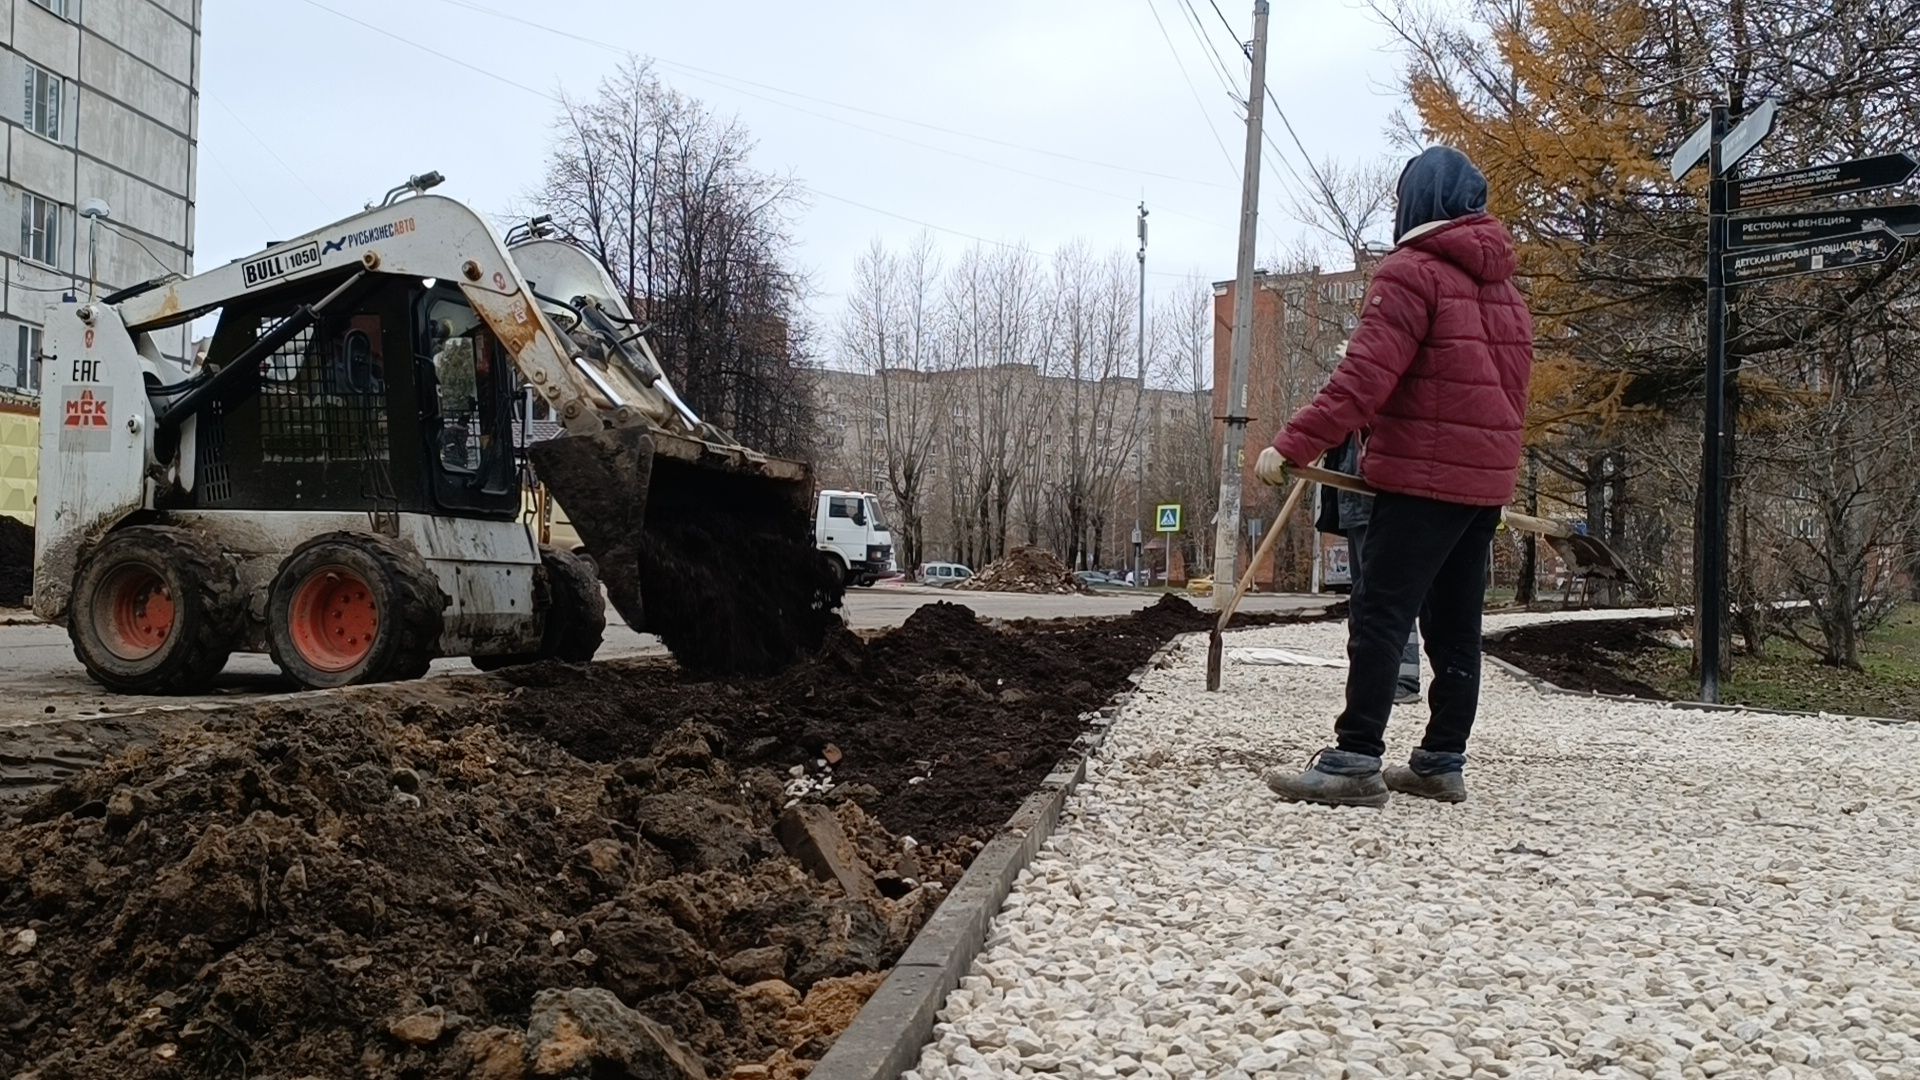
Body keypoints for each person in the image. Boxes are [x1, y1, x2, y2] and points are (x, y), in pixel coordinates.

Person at [1256, 145, 1532, 808]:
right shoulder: (1507, 294)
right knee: (1456, 627)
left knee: (1381, 614)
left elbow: (1363, 381)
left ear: (1417, 202)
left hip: (1420, 481)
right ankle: (1441, 761)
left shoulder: (1410, 273)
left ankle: (1355, 760)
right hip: (1482, 486)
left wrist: (1292, 445)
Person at [1316, 431, 1421, 705]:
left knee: (1389, 596)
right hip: (1354, 507)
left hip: (1380, 506)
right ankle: (1370, 676)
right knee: (1365, 598)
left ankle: (1404, 678)